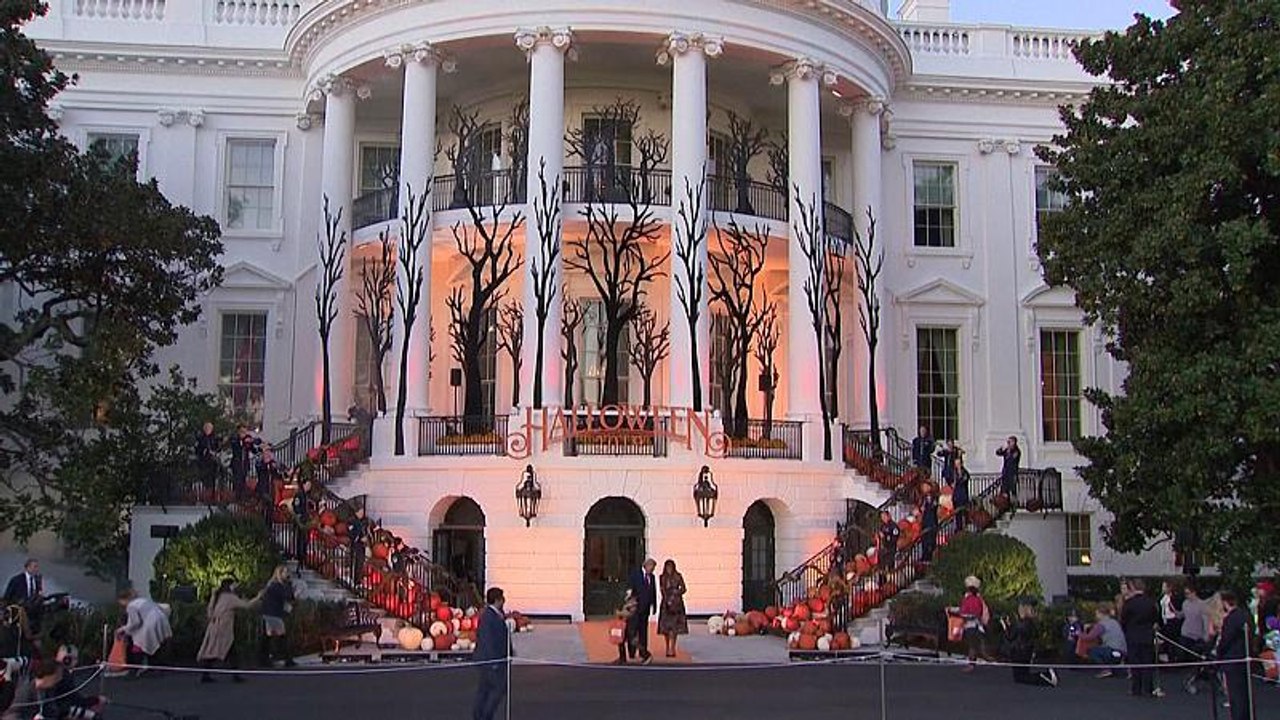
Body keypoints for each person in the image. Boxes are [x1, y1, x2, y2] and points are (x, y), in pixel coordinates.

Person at [198, 578, 255, 683]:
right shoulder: (230, 598)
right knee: (227, 651)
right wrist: (258, 596)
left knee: (215, 651)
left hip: (214, 627)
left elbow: (209, 612)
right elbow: (247, 605)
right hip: (223, 630)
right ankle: (234, 675)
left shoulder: (218, 596)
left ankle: (206, 674)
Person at [472, 587, 511, 720]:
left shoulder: (496, 614)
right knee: (497, 688)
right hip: (490, 660)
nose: (504, 601)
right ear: (497, 600)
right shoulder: (488, 617)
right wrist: (493, 661)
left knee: (485, 689)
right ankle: (484, 716)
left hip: (493, 659)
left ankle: (479, 715)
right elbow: (487, 639)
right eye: (502, 598)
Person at [114, 589, 172, 674]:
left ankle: (137, 668)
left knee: (140, 643)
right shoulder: (143, 600)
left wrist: (122, 629)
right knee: (157, 644)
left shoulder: (131, 606)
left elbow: (135, 622)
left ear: (123, 599)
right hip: (162, 620)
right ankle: (156, 667)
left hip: (151, 623)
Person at [1217, 591, 1254, 720]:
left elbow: (1226, 640)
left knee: (1235, 695)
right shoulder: (1246, 615)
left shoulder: (1231, 619)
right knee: (1245, 694)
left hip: (1232, 660)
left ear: (1225, 602)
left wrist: (1218, 653)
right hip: (1245, 658)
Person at [1120, 578, 1159, 697]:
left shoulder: (1129, 603)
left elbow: (1123, 620)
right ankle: (1148, 689)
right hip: (1147, 635)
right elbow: (1155, 618)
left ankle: (1136, 689)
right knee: (1147, 663)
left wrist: (1127, 631)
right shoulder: (1151, 602)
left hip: (1133, 636)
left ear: (1133, 587)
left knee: (1135, 663)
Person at [1005, 599, 1058, 687]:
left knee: (1021, 677)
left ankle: (1046, 677)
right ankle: (1046, 676)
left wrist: (1006, 627)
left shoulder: (1021, 624)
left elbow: (1011, 636)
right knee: (1022, 675)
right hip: (1025, 651)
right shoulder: (1030, 622)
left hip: (1019, 652)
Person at [33, 659, 107, 719]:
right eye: (57, 676)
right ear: (49, 676)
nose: (60, 678)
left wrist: (94, 702)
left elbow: (72, 700)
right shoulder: (31, 692)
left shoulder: (52, 688)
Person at [259, 565, 296, 668]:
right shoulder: (276, 586)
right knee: (281, 635)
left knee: (269, 636)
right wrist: (290, 586)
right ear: (280, 574)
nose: (287, 574)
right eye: (285, 572)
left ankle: (265, 658)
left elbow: (289, 598)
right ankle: (286, 659)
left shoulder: (275, 585)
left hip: (271, 613)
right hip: (273, 613)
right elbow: (287, 596)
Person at [1180, 583, 1214, 694]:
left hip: (1197, 636)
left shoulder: (1201, 605)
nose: (1187, 596)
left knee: (1197, 661)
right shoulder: (1185, 603)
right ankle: (1188, 680)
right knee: (1186, 659)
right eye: (1185, 594)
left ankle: (1193, 680)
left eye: (1188, 593)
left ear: (1194, 593)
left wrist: (1206, 636)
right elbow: (1184, 615)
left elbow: (1205, 621)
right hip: (1185, 634)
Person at [950, 576, 988, 671]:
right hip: (978, 625)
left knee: (972, 645)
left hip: (970, 625)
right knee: (976, 644)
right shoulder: (978, 598)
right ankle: (979, 660)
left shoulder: (969, 599)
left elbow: (964, 611)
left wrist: (953, 610)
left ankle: (971, 664)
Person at [626, 559, 658, 665]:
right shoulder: (636, 574)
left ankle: (643, 652)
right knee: (633, 630)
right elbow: (630, 588)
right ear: (646, 566)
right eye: (651, 567)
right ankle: (631, 652)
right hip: (635, 608)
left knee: (643, 631)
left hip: (645, 609)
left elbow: (653, 592)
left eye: (653, 568)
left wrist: (654, 606)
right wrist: (629, 601)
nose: (652, 570)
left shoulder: (652, 577)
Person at [1081, 604, 1127, 675]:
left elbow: (1089, 637)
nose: (1096, 616)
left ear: (1101, 614)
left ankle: (1105, 669)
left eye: (1097, 614)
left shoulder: (1101, 624)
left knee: (1091, 651)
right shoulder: (1115, 622)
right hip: (1122, 652)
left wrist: (1078, 633)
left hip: (1111, 651)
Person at [658, 559, 688, 658]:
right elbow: (662, 590)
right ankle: (667, 647)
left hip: (677, 604)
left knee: (674, 628)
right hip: (666, 604)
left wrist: (676, 593)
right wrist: (667, 599)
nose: (669, 569)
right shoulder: (662, 577)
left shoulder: (678, 576)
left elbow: (684, 589)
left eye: (670, 567)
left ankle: (673, 648)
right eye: (667, 567)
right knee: (666, 628)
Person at [613, 590, 639, 665]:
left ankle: (644, 653)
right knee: (621, 640)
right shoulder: (626, 601)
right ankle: (622, 657)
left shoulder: (633, 602)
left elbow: (630, 613)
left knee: (632, 640)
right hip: (624, 623)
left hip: (631, 624)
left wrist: (620, 613)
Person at [194, 421, 221, 494]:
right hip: (203, 461)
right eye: (206, 428)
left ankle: (213, 492)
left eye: (209, 428)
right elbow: (197, 449)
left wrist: (214, 452)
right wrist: (203, 451)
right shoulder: (200, 438)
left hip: (212, 461)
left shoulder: (215, 438)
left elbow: (218, 448)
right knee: (204, 477)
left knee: (213, 477)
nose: (207, 429)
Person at [347, 506, 369, 590]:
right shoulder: (352, 521)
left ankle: (358, 581)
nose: (362, 513)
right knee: (355, 562)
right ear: (357, 512)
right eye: (361, 512)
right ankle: (353, 581)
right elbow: (351, 533)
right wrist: (359, 538)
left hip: (362, 546)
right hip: (355, 545)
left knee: (360, 563)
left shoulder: (363, 521)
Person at [291, 479, 313, 564]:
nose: (309, 487)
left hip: (305, 520)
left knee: (304, 538)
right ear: (303, 485)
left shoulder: (306, 495)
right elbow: (296, 505)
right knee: (299, 538)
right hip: (300, 520)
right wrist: (299, 515)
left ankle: (303, 555)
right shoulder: (299, 494)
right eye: (308, 485)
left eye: (310, 485)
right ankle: (299, 555)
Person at [1254, 581, 1278, 654]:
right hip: (1264, 632)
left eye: (1260, 589)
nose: (1257, 591)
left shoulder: (1272, 602)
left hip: (1272, 633)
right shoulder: (1260, 603)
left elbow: (1271, 620)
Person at [876, 510, 900, 583]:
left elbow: (894, 538)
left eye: (884, 516)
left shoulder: (894, 526)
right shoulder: (882, 526)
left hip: (890, 549)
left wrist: (885, 537)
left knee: (890, 566)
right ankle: (882, 581)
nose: (883, 518)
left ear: (888, 516)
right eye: (882, 517)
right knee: (881, 566)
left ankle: (891, 581)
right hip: (883, 549)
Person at [995, 436, 1021, 504]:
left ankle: (1014, 504)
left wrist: (1009, 452)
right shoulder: (1007, 450)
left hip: (1012, 474)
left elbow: (1012, 459)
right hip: (1005, 473)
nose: (1009, 443)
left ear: (1014, 442)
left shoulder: (1016, 451)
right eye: (1008, 442)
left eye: (1011, 442)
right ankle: (1006, 503)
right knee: (1004, 490)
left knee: (1012, 490)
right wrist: (1002, 448)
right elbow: (998, 453)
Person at [919, 483, 939, 563]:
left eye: (926, 487)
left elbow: (934, 507)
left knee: (931, 540)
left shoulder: (934, 497)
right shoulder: (923, 499)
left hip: (931, 521)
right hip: (925, 521)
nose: (924, 488)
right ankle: (924, 555)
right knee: (924, 539)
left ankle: (930, 556)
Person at [951, 456, 971, 530]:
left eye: (959, 464)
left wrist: (959, 475)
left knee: (964, 512)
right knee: (957, 514)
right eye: (956, 464)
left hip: (963, 496)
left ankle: (966, 526)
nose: (957, 465)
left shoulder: (965, 472)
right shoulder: (954, 473)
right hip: (956, 496)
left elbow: (963, 480)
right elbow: (952, 483)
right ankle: (958, 527)